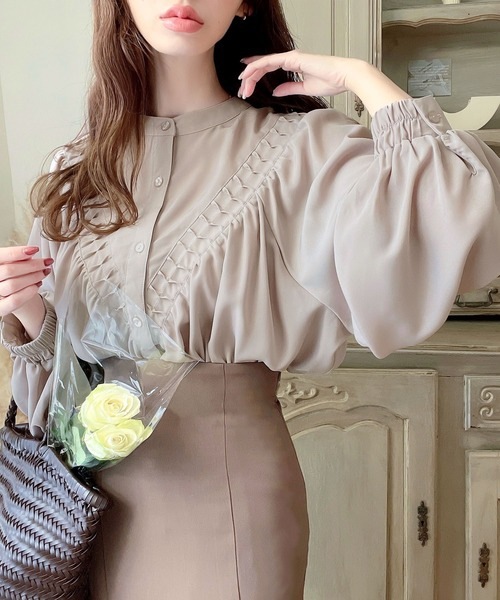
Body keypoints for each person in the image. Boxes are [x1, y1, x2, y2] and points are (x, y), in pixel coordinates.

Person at [1, 0, 500, 598]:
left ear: (244, 4)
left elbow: (458, 208)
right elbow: (60, 381)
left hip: (225, 497)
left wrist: (360, 77)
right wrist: (26, 311)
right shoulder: (78, 167)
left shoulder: (301, 147)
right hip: (73, 509)